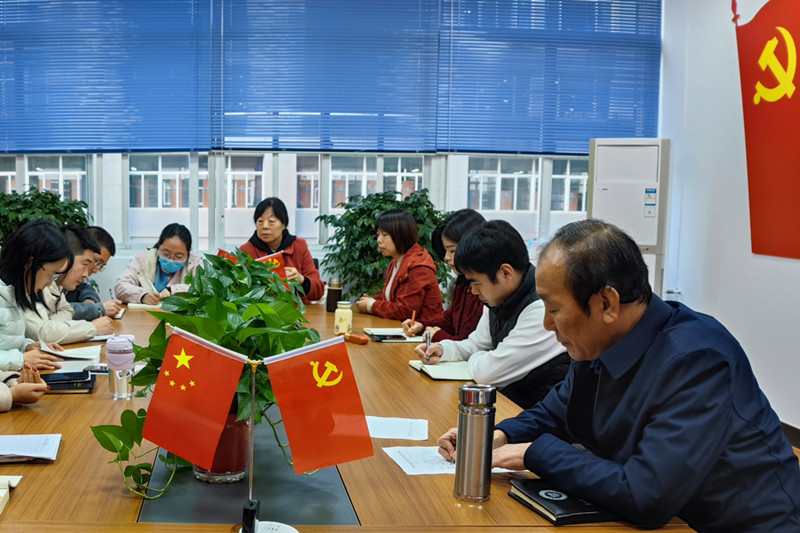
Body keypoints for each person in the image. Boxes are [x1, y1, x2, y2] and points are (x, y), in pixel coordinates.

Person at [438, 219, 800, 531]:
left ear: (607, 303)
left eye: (554, 309)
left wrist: (536, 453)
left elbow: (647, 494)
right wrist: (497, 435)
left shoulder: (696, 359)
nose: (547, 324)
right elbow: (557, 411)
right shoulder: (601, 341)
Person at [415, 220, 568, 409]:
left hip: (536, 414)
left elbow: (488, 374)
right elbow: (477, 344)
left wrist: (484, 356)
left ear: (506, 273)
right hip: (512, 404)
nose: (473, 291)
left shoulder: (541, 308)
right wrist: (444, 350)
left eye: (476, 283)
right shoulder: (498, 298)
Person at [402, 209, 485, 342]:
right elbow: (450, 321)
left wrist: (437, 335)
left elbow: (471, 345)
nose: (446, 257)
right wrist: (422, 326)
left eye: (452, 250)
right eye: (445, 250)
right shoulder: (463, 282)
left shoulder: (485, 288)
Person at [24, 225, 114, 344]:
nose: (87, 273)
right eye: (86, 264)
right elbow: (42, 333)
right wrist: (92, 328)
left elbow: (66, 310)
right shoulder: (36, 282)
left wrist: (53, 325)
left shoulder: (57, 285)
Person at [0, 220, 68, 371]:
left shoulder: (15, 293)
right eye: (51, 275)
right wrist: (22, 359)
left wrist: (28, 346)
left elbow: (6, 343)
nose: (50, 284)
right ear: (30, 263)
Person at [356, 209, 443, 322]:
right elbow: (391, 298)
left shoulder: (418, 265)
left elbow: (405, 311)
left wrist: (371, 305)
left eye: (385, 235)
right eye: (378, 235)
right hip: (402, 327)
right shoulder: (396, 260)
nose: (379, 240)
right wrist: (370, 300)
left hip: (424, 329)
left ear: (402, 235)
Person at [239, 197, 324, 303]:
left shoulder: (299, 246)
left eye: (271, 221)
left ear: (283, 224)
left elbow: (319, 290)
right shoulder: (246, 251)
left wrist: (302, 280)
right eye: (260, 221)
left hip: (296, 309)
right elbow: (240, 292)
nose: (265, 226)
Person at [114, 223, 203, 305]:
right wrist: (142, 296)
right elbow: (121, 286)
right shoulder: (143, 259)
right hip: (145, 314)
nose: (171, 259)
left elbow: (203, 290)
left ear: (188, 253)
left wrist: (173, 291)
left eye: (178, 256)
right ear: (159, 246)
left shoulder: (195, 263)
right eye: (166, 254)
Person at [66, 226, 123, 320]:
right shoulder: (52, 278)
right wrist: (96, 309)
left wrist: (90, 303)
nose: (96, 270)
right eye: (97, 262)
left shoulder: (69, 278)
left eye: (101, 266)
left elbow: (83, 288)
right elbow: (58, 311)